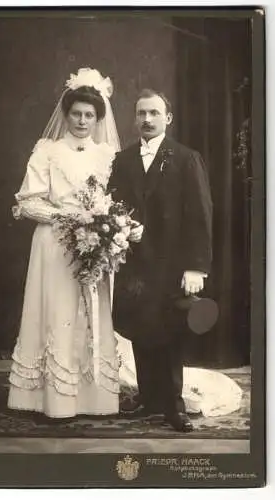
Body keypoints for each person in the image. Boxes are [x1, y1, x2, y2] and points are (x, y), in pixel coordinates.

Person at [8, 68, 126, 419]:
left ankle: (94, 398)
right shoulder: (47, 150)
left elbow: (116, 200)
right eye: (76, 113)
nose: (82, 120)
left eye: (89, 115)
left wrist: (103, 225)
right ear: (66, 114)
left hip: (96, 244)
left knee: (90, 313)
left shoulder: (107, 155)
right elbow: (28, 201)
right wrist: (69, 219)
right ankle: (51, 399)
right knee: (57, 312)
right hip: (54, 244)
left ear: (98, 118)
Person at [108, 88, 213, 432]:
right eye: (141, 113)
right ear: (135, 118)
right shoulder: (123, 160)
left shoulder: (185, 158)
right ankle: (149, 399)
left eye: (154, 113)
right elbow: (113, 207)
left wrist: (196, 267)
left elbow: (200, 214)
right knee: (141, 329)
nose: (147, 120)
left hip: (172, 263)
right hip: (136, 263)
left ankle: (174, 405)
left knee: (169, 333)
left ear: (167, 118)